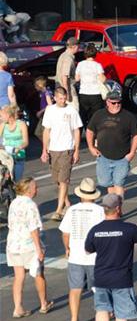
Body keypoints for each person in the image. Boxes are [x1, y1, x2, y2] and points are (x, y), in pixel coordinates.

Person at [84, 193, 137, 321]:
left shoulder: (96, 230)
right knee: (122, 316)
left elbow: (88, 249)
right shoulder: (128, 229)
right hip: (121, 279)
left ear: (105, 209)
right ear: (118, 208)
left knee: (102, 310)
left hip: (101, 278)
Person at [60, 178, 104, 321]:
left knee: (75, 288)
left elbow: (65, 233)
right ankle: (103, 312)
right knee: (99, 288)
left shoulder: (71, 210)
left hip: (75, 255)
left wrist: (67, 248)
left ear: (80, 194)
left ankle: (73, 319)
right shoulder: (100, 211)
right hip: (94, 256)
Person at [6, 177, 52, 318]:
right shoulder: (30, 205)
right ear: (29, 190)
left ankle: (18, 307)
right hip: (28, 245)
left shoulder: (14, 203)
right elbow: (33, 229)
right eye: (35, 187)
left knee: (19, 276)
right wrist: (39, 249)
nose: (36, 189)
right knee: (38, 273)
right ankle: (44, 303)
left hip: (13, 243)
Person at [86, 90, 137, 196]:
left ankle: (118, 209)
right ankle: (113, 205)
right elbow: (90, 131)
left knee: (118, 184)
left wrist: (132, 153)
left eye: (119, 102)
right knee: (106, 183)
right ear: (107, 102)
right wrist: (91, 147)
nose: (117, 105)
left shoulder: (128, 116)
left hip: (122, 158)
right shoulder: (99, 115)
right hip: (103, 157)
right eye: (113, 103)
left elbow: (136, 135)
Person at [41, 87, 82, 221]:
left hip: (67, 149)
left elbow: (76, 130)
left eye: (64, 98)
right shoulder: (50, 110)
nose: (62, 100)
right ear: (55, 98)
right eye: (60, 98)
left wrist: (76, 150)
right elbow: (46, 131)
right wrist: (44, 149)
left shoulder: (71, 110)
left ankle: (59, 210)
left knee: (64, 180)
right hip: (53, 149)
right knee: (57, 180)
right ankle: (68, 203)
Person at [74, 43, 106, 124]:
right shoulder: (97, 65)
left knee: (83, 115)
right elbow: (102, 80)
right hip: (95, 93)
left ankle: (82, 132)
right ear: (95, 54)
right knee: (96, 116)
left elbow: (77, 79)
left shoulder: (80, 64)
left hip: (83, 93)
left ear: (85, 54)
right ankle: (94, 133)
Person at [1, 104, 27, 180]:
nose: (1, 118)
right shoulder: (3, 125)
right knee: (7, 180)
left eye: (1, 116)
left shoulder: (21, 124)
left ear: (8, 115)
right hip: (6, 157)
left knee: (17, 181)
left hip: (18, 155)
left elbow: (26, 142)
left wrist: (19, 148)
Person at [56, 37, 79, 109]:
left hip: (60, 90)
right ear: (75, 46)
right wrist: (66, 94)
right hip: (67, 90)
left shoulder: (63, 55)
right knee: (74, 111)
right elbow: (64, 77)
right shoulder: (68, 58)